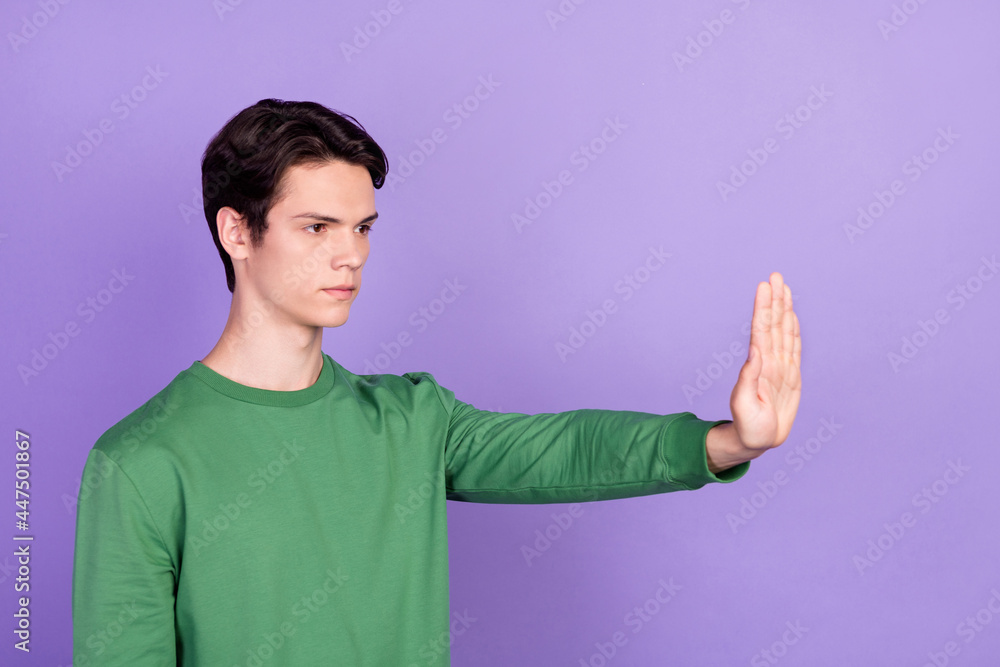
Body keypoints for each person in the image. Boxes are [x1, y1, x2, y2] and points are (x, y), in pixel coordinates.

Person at [71, 98, 801, 666]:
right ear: (237, 232)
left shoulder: (411, 418)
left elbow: (559, 449)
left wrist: (728, 441)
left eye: (363, 228)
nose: (350, 255)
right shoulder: (140, 462)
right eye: (317, 227)